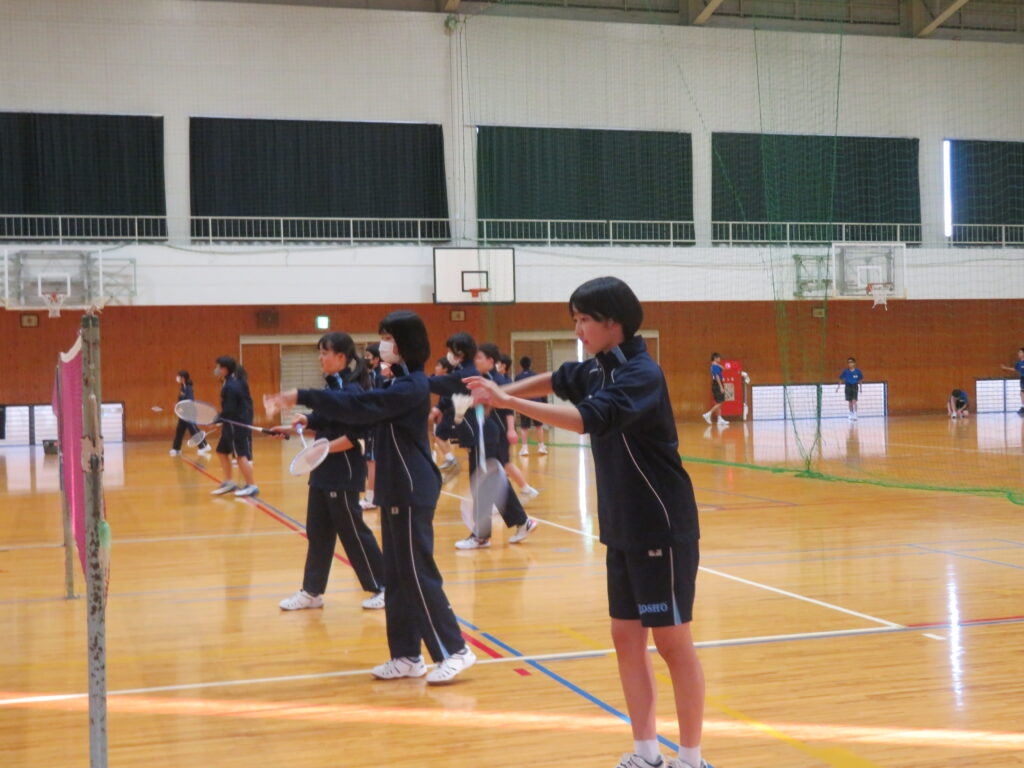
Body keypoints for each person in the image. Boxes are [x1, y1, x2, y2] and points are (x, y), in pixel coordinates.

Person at [466, 276, 710, 768]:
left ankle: (691, 758)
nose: (577, 329)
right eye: (574, 319)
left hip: (660, 524)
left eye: (584, 320)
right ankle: (646, 753)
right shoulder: (598, 368)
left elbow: (585, 419)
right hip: (621, 525)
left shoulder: (640, 374)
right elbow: (557, 379)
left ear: (614, 323)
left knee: (671, 642)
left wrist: (509, 403)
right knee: (626, 638)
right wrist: (500, 391)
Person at [264, 311, 475, 685]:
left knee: (416, 573)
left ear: (405, 343)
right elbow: (360, 415)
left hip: (412, 489)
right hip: (395, 488)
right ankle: (407, 656)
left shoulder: (410, 387)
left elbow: (359, 406)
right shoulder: (398, 384)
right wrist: (309, 422)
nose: (383, 345)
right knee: (396, 576)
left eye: (388, 338)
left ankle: (454, 650)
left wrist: (300, 396)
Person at [273, 332, 386, 612]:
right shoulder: (334, 386)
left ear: (341, 357)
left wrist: (318, 451)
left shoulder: (352, 392)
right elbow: (325, 421)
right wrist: (298, 424)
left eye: (325, 353)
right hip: (323, 472)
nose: (320, 358)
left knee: (354, 533)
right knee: (318, 533)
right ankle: (312, 592)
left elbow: (353, 437)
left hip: (343, 473)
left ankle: (385, 587)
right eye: (320, 352)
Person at [452, 398, 537, 550]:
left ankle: (481, 536)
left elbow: (488, 401)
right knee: (493, 481)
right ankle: (522, 521)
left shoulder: (469, 385)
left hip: (481, 436)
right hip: (480, 435)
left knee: (482, 485)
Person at [475, 342, 540, 503]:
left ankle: (523, 490)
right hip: (491, 430)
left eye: (479, 357)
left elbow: (509, 408)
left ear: (491, 361)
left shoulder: (498, 381)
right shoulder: (484, 379)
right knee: (503, 463)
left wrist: (511, 429)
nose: (476, 361)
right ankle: (524, 490)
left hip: (501, 429)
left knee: (502, 463)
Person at [210, 356, 258, 497]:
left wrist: (218, 419)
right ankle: (229, 482)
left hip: (236, 425)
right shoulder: (234, 382)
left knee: (240, 455)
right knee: (222, 451)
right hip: (232, 424)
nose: (216, 369)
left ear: (225, 369)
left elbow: (230, 409)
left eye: (218, 367)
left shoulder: (231, 386)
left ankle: (252, 485)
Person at [360, 343, 384, 510]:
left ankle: (371, 498)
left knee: (372, 461)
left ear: (376, 359)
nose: (365, 359)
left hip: (375, 425)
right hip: (374, 424)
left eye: (368, 356)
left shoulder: (377, 376)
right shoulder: (371, 375)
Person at [170, 370, 211, 456]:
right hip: (183, 414)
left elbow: (189, 401)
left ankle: (203, 447)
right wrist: (177, 405)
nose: (177, 378)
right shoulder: (182, 388)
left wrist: (180, 406)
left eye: (179, 376)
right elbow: (181, 400)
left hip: (189, 413)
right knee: (180, 430)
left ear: (183, 378)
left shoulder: (188, 388)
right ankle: (176, 449)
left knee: (193, 430)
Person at [515, 356, 548, 457]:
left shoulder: (518, 377)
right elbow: (542, 390)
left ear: (521, 365)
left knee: (524, 427)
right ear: (530, 364)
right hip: (535, 404)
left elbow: (516, 391)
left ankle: (525, 448)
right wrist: (544, 402)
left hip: (524, 404)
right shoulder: (535, 375)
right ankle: (541, 447)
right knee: (539, 426)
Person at [430, 357, 459, 473]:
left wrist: (438, 407)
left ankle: (451, 459)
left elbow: (447, 398)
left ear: (445, 369)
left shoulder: (448, 381)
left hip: (451, 412)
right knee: (441, 436)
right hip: (448, 412)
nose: (435, 368)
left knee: (439, 436)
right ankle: (450, 458)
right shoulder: (445, 379)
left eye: (438, 366)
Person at [701, 354, 728, 427]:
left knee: (718, 402)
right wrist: (721, 387)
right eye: (719, 358)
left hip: (716, 384)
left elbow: (724, 368)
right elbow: (717, 377)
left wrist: (717, 364)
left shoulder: (715, 366)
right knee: (720, 402)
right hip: (717, 384)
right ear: (715, 358)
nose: (720, 359)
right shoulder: (714, 367)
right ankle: (708, 414)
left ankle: (719, 419)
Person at [837, 357, 864, 421]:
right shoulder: (845, 371)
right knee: (850, 401)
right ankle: (850, 413)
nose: (850, 364)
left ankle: (855, 414)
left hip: (855, 386)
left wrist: (861, 388)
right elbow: (840, 378)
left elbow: (860, 380)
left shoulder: (858, 371)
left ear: (854, 363)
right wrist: (838, 387)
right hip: (848, 386)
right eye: (849, 362)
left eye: (851, 362)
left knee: (854, 400)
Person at [1000, 347, 1024, 415]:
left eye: (1020, 352)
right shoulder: (1018, 363)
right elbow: (1015, 369)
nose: (1018, 353)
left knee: (1022, 393)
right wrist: (1005, 368)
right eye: (1018, 352)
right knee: (1022, 393)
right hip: (1022, 378)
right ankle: (1023, 407)